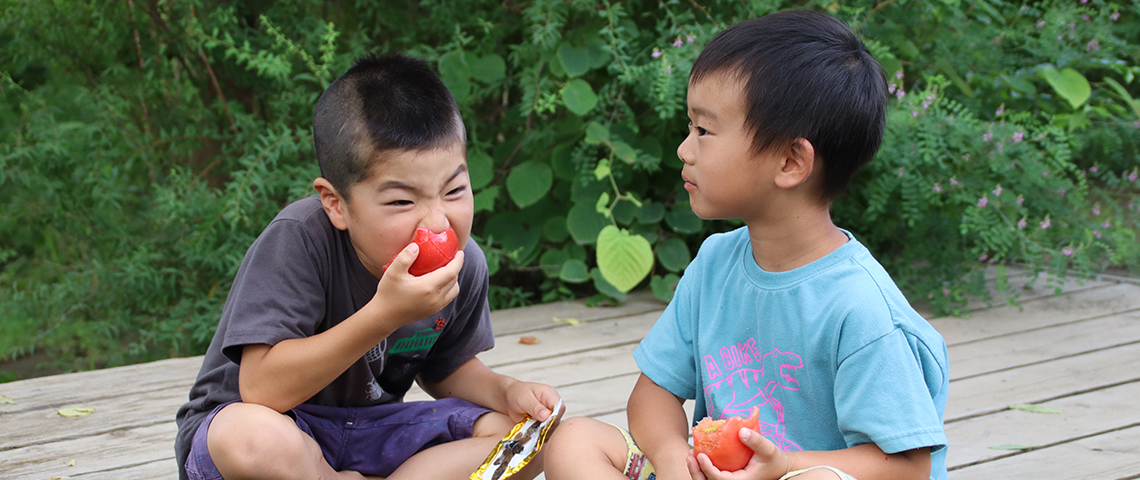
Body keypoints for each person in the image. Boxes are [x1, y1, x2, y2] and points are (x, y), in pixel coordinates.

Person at [544, 10, 949, 480]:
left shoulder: (861, 310)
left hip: (801, 473)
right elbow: (653, 395)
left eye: (704, 130)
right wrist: (673, 457)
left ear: (790, 161)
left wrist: (786, 466)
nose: (684, 148)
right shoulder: (716, 264)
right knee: (576, 441)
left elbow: (909, 465)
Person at [174, 52, 561, 480]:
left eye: (454, 190)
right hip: (274, 432)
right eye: (401, 201)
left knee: (526, 438)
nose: (437, 221)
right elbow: (262, 389)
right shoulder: (300, 239)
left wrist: (508, 392)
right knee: (250, 437)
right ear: (336, 204)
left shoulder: (462, 264)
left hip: (371, 431)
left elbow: (447, 370)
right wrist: (384, 315)